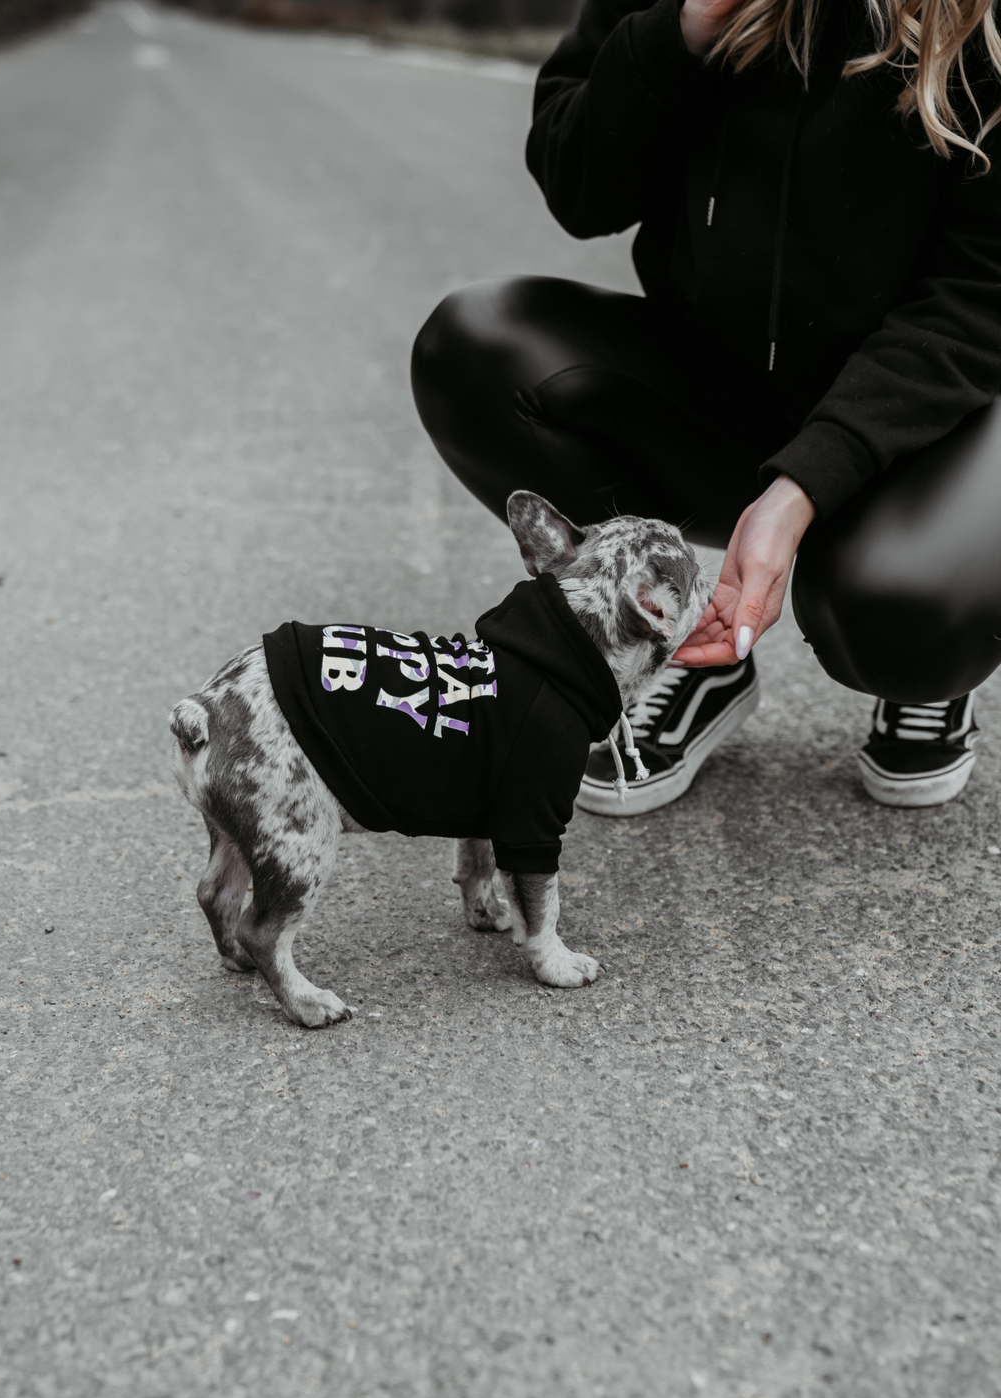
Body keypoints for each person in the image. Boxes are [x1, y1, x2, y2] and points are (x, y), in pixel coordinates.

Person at [410, 0, 1001, 815]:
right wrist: (683, 31)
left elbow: (981, 298)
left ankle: (933, 641)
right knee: (475, 350)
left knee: (896, 618)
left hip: (928, 418)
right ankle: (697, 641)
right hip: (722, 387)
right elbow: (578, 185)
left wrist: (802, 488)